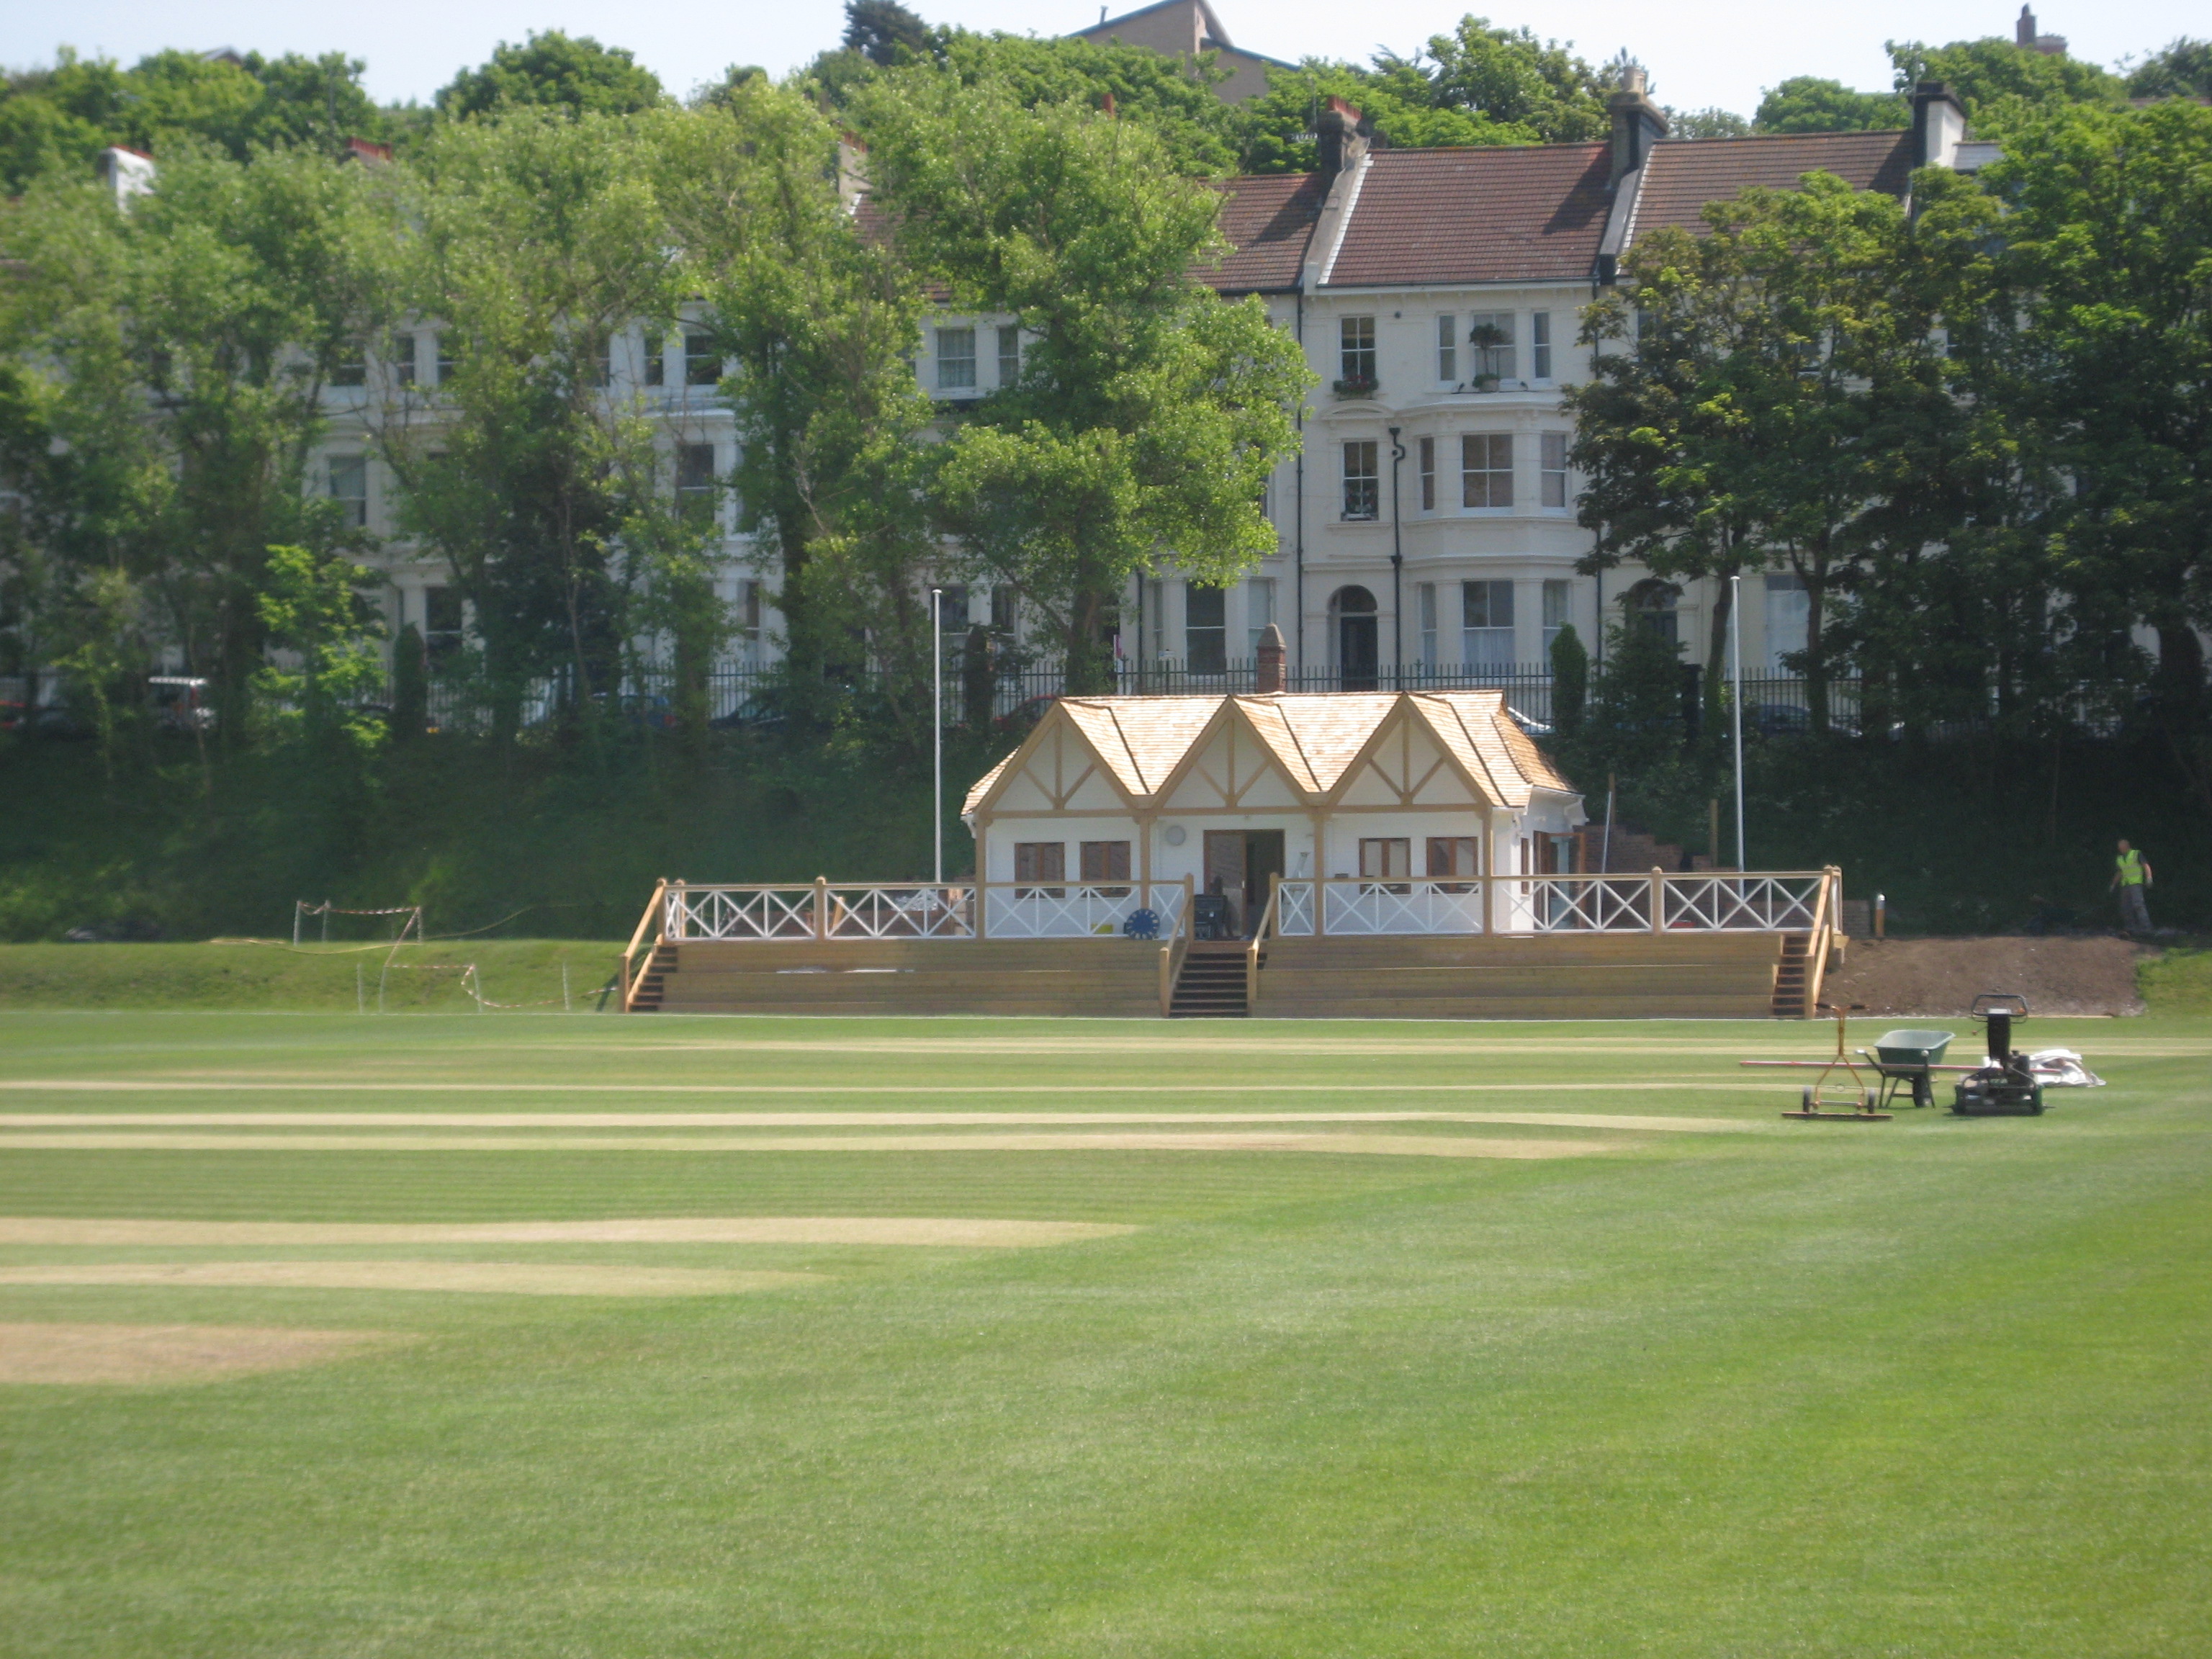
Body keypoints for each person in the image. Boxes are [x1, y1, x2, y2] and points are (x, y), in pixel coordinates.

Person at [2109, 839, 2154, 935]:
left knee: (2139, 905)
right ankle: (2130, 928)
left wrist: (2149, 877)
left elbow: (2146, 865)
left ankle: (2147, 929)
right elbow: (2119, 872)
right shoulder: (2120, 858)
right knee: (2126, 907)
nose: (2121, 849)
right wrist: (2113, 884)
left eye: (2122, 847)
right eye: (2120, 848)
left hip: (2136, 883)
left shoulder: (2136, 854)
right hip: (2125, 885)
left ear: (2127, 846)